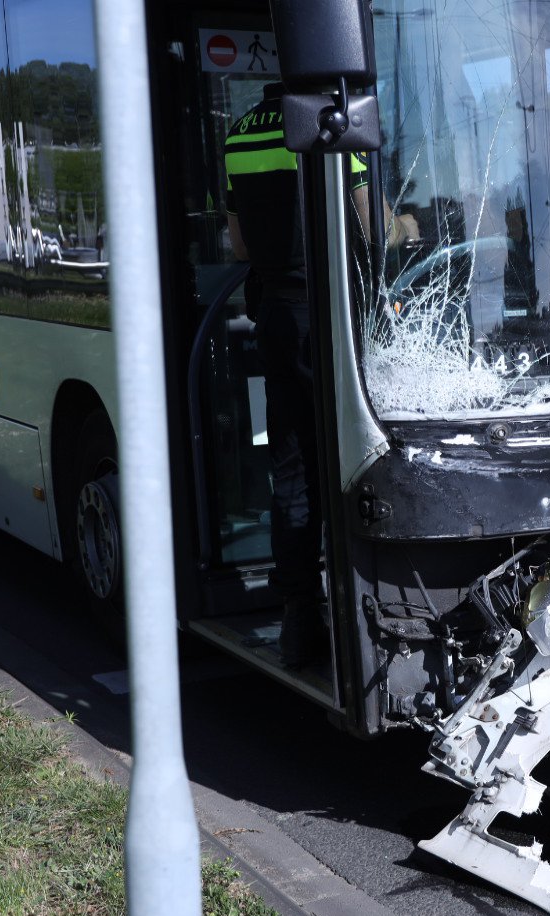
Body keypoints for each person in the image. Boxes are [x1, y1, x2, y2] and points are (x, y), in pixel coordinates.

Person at [223, 83, 365, 668]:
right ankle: (360, 609)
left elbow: (238, 244)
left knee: (293, 468)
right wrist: (408, 226)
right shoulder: (332, 122)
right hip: (331, 315)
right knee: (353, 458)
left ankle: (300, 620)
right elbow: (367, 225)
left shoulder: (239, 133)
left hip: (276, 316)